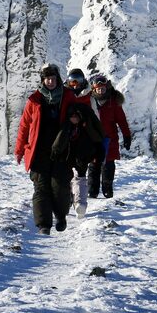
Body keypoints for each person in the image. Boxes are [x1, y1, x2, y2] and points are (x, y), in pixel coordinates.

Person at [13, 64, 72, 234]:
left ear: (58, 79)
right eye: (47, 78)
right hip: (38, 151)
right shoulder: (34, 100)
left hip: (61, 150)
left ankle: (61, 216)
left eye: (53, 78)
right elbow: (24, 126)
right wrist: (19, 150)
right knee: (41, 187)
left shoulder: (67, 97)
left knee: (60, 186)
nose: (50, 81)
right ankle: (43, 225)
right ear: (42, 80)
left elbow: (81, 114)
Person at [61, 69, 104, 217]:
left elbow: (96, 119)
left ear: (83, 81)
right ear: (67, 81)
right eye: (72, 81)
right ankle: (66, 200)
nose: (75, 85)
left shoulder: (89, 97)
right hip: (67, 139)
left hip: (84, 140)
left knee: (80, 171)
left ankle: (80, 204)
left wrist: (97, 138)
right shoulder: (63, 94)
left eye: (78, 81)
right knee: (65, 173)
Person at [88, 73, 132, 199]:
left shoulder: (113, 102)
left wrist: (127, 136)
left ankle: (107, 190)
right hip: (93, 138)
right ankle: (93, 191)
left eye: (103, 88)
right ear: (94, 88)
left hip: (110, 138)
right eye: (98, 88)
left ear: (106, 88)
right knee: (94, 165)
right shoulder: (89, 100)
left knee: (108, 164)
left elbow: (122, 121)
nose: (101, 90)